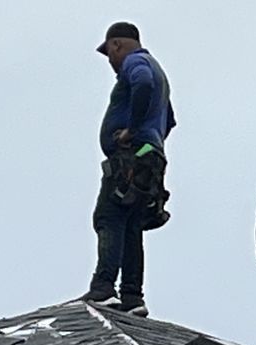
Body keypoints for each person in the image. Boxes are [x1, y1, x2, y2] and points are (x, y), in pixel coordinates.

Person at [82, 22, 174, 318]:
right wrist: (151, 142)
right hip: (150, 158)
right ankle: (132, 297)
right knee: (132, 224)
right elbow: (170, 120)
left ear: (116, 45)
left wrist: (131, 132)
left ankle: (103, 288)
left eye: (109, 53)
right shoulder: (160, 72)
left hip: (131, 157)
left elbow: (142, 83)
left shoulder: (136, 63)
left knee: (108, 216)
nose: (110, 60)